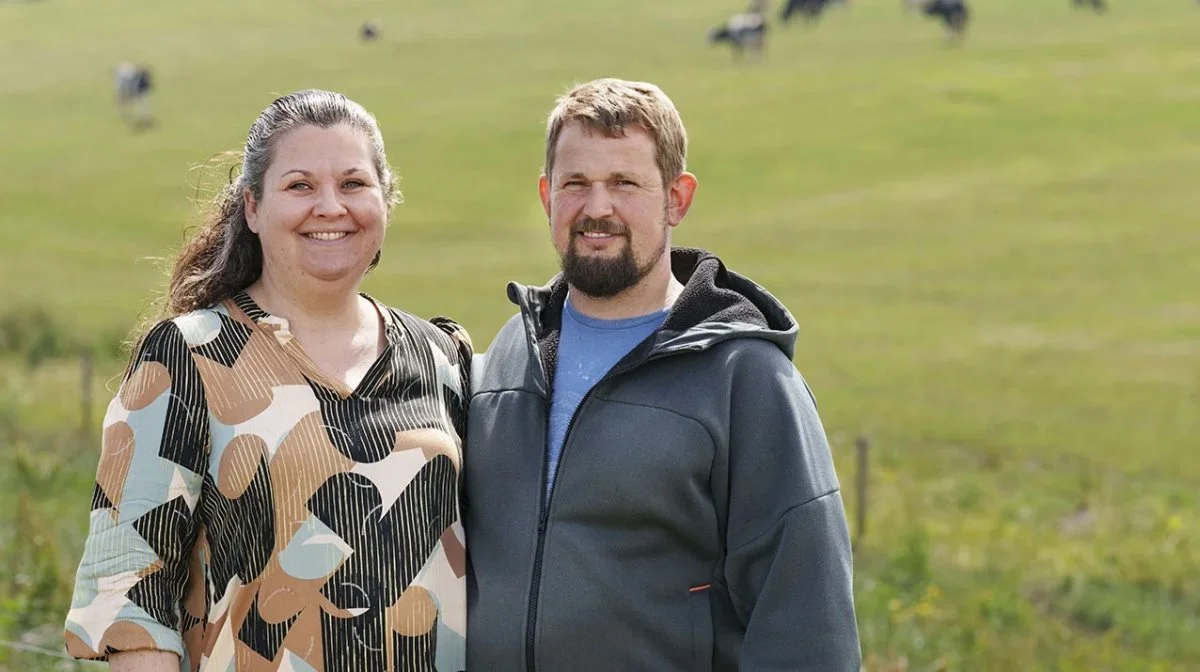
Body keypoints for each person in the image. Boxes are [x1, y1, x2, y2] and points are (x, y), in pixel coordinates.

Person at [64, 89, 471, 672]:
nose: (330, 206)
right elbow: (130, 592)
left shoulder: (440, 360)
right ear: (252, 208)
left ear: (386, 200)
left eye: (354, 184)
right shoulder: (189, 356)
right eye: (300, 185)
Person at [464, 78, 860, 671]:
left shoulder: (745, 380)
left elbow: (806, 623)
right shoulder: (508, 359)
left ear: (677, 198)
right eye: (577, 184)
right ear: (548, 196)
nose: (598, 207)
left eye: (624, 183)